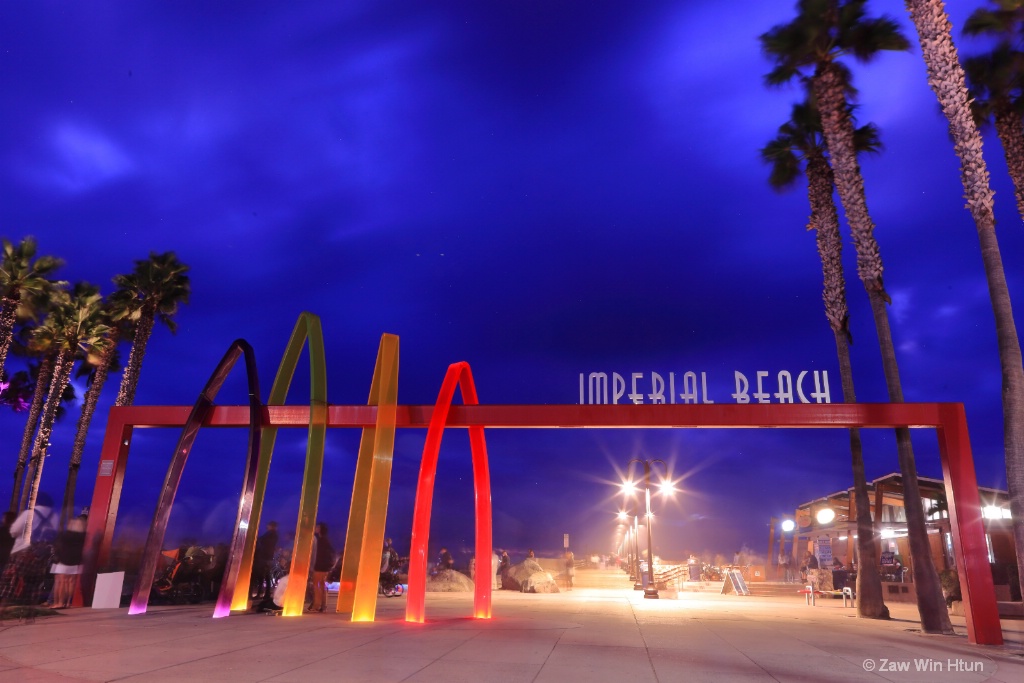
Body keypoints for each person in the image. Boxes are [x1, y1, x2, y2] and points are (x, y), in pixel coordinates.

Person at [0, 492, 60, 605]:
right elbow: (53, 534)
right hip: (41, 554)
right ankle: (27, 606)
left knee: (12, 580)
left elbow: (14, 531)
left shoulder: (29, 513)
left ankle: (7, 606)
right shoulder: (54, 516)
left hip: (22, 551)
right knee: (33, 581)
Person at [48, 515, 87, 609]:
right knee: (71, 582)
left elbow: (58, 545)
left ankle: (59, 603)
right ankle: (68, 602)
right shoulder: (82, 536)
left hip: (63, 560)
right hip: (76, 561)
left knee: (60, 581)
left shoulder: (66, 535)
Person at [308, 522, 334, 613]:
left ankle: (317, 605)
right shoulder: (326, 540)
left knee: (316, 586)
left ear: (320, 529)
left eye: (317, 527)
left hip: (319, 566)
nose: (316, 528)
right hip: (325, 567)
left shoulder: (319, 540)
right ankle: (323, 605)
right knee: (322, 586)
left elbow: (317, 554)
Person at [253, 520, 279, 601]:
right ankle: (264, 593)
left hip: (265, 557)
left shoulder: (271, 535)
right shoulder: (272, 535)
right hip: (267, 557)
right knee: (265, 576)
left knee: (264, 576)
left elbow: (262, 541)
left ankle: (264, 593)